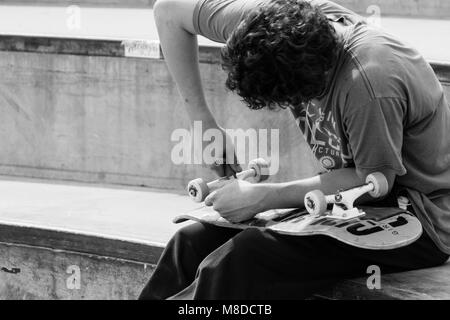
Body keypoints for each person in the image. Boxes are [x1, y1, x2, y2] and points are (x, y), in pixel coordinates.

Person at [139, 0, 450, 299]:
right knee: (191, 241)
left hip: (417, 218)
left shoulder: (368, 85)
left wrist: (262, 197)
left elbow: (372, 184)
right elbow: (168, 12)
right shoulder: (271, 23)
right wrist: (203, 123)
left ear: (315, 81)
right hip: (345, 202)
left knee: (246, 259)